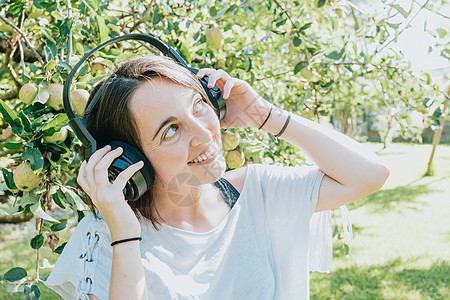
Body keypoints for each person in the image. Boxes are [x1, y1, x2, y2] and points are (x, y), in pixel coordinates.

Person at [44, 55, 389, 299]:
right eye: (171, 131)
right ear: (129, 161)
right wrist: (124, 235)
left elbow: (369, 175)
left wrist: (263, 114)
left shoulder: (259, 192)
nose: (204, 135)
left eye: (199, 106)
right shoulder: (104, 238)